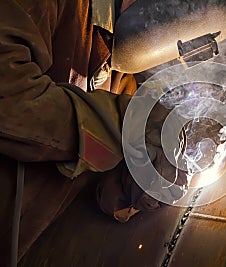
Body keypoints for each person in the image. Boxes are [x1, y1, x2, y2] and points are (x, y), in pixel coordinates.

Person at [0, 0, 187, 265]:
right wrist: (125, 123)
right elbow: (10, 99)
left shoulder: (120, 69)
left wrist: (131, 183)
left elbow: (97, 183)